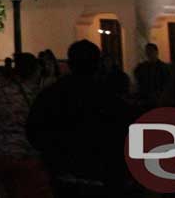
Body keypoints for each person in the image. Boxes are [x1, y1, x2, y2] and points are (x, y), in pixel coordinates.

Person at [27, 40, 135, 197]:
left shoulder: (52, 95)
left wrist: (54, 154)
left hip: (63, 173)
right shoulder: (109, 98)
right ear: (98, 64)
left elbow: (34, 131)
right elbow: (124, 135)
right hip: (101, 174)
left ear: (70, 63)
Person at [0, 53, 52, 198]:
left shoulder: (0, 93)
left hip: (0, 151)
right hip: (25, 152)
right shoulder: (36, 94)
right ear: (34, 71)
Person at [133, 42, 170, 110]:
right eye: (147, 51)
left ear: (156, 52)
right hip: (146, 98)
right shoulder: (142, 67)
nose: (148, 53)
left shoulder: (163, 67)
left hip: (158, 98)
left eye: (150, 51)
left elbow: (166, 83)